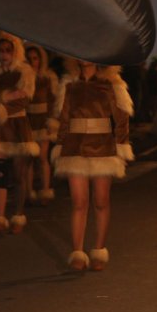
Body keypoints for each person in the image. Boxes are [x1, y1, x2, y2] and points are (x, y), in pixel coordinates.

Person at [52, 59, 133, 271]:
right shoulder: (69, 85)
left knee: (101, 200)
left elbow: (122, 118)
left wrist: (121, 145)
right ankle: (77, 252)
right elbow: (64, 119)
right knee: (79, 202)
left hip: (103, 147)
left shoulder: (111, 84)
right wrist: (61, 144)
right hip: (74, 148)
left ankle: (99, 250)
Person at [0, 32, 39, 233]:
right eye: (1, 50)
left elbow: (24, 100)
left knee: (20, 174)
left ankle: (18, 215)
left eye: (8, 50)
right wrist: (7, 96)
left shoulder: (24, 72)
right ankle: (0, 216)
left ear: (15, 51)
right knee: (0, 172)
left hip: (18, 126)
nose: (4, 54)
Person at [25, 43, 58, 205]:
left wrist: (51, 120)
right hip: (29, 121)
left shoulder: (48, 77)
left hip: (43, 121)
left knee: (43, 156)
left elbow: (53, 100)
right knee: (30, 157)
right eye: (29, 59)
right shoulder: (23, 77)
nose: (33, 62)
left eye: (35, 58)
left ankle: (45, 190)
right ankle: (29, 192)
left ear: (40, 59)